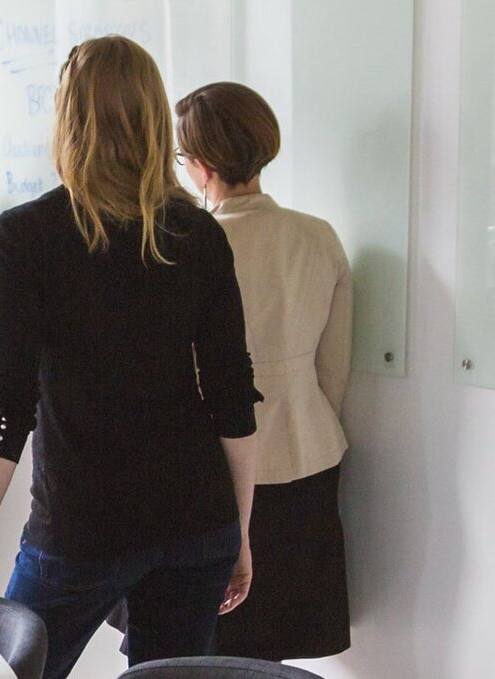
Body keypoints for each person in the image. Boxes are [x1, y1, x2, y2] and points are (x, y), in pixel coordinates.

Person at [0, 36, 262, 678]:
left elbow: (4, 409)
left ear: (67, 120)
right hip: (195, 521)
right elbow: (233, 398)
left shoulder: (23, 237)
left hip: (82, 525)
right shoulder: (197, 232)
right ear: (152, 119)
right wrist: (240, 534)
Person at [174, 82, 353, 660]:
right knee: (276, 644)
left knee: (199, 645)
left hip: (211, 465)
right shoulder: (319, 235)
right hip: (307, 453)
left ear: (202, 166)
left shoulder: (189, 244)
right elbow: (334, 372)